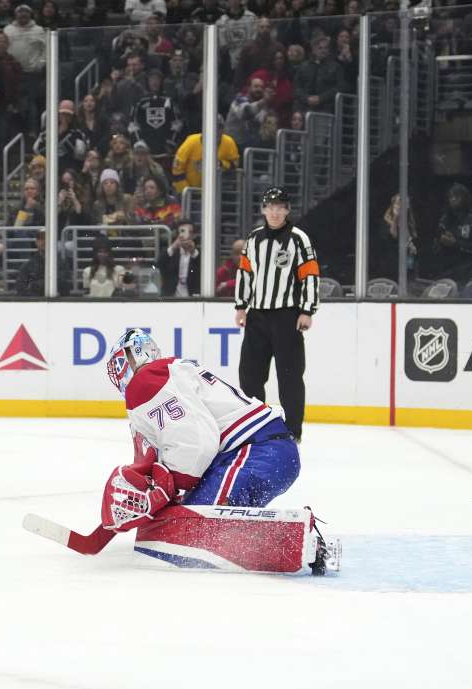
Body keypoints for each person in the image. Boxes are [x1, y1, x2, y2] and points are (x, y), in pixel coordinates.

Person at [99, 328, 330, 574]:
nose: (120, 372)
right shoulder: (167, 373)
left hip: (257, 450)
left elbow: (196, 441)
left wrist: (167, 485)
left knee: (180, 530)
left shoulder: (146, 380)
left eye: (122, 361)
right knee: (180, 525)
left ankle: (300, 539)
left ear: (136, 353)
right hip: (265, 453)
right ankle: (289, 536)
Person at [233, 188, 319, 441]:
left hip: (287, 316)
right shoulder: (254, 239)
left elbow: (310, 275)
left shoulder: (298, 239)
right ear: (263, 210)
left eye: (280, 207)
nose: (274, 211)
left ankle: (293, 431)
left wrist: (307, 310)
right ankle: (256, 427)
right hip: (257, 316)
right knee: (249, 375)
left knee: (290, 375)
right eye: (270, 207)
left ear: (287, 210)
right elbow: (245, 274)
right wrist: (241, 306)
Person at [162, 223, 200, 297]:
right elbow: (159, 264)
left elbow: (203, 270)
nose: (187, 235)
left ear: (194, 235)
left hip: (193, 298)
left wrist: (193, 251)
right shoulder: (171, 252)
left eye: (190, 232)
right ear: (178, 235)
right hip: (171, 297)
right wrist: (174, 246)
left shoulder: (199, 254)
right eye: (183, 231)